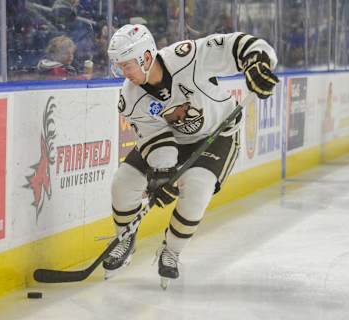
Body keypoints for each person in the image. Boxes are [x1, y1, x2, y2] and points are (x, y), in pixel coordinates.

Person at [102, 24, 278, 287]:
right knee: (123, 181)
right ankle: (125, 239)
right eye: (119, 67)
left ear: (147, 57)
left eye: (127, 65)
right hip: (173, 140)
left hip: (217, 136)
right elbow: (155, 138)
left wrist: (256, 63)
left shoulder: (188, 56)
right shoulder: (130, 98)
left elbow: (235, 44)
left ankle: (171, 252)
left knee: (197, 188)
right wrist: (163, 174)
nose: (123, 73)